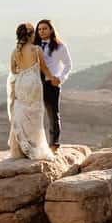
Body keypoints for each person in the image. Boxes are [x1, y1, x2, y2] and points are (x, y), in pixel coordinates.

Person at [6, 22, 58, 160]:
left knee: (21, 112)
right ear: (30, 35)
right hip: (34, 84)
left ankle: (21, 149)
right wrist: (53, 79)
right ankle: (35, 147)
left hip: (21, 83)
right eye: (34, 33)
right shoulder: (36, 49)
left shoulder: (14, 52)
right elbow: (45, 69)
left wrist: (23, 70)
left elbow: (13, 70)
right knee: (35, 116)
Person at [34, 19, 72, 150]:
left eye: (44, 28)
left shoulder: (60, 46)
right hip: (34, 84)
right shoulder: (34, 46)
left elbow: (68, 65)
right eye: (39, 29)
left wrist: (60, 78)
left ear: (51, 30)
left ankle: (53, 144)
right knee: (33, 114)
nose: (41, 31)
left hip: (51, 84)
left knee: (52, 115)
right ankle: (35, 144)